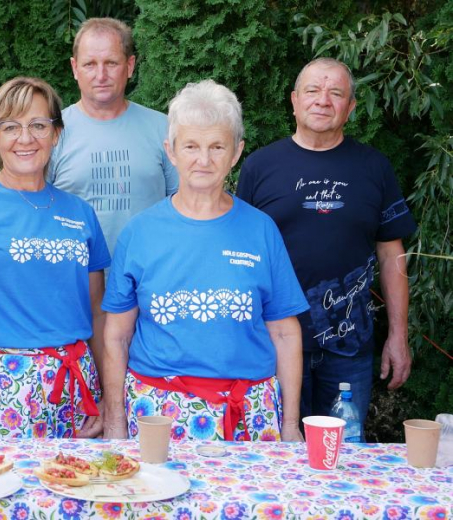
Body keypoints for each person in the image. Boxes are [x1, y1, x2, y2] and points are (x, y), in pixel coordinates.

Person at [101, 80, 308, 442]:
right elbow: (116, 336)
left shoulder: (261, 230)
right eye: (191, 146)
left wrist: (290, 425)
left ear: (236, 152)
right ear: (171, 151)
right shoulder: (139, 233)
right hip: (157, 414)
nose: (204, 159)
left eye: (217, 146)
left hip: (250, 413)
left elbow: (285, 333)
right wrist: (116, 422)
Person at [237, 58, 417, 433]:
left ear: (350, 108)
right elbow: (240, 256)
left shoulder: (374, 168)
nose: (323, 100)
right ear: (294, 100)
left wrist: (399, 336)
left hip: (349, 345)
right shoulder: (259, 166)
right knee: (277, 452)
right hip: (275, 341)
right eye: (313, 91)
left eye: (336, 93)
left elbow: (391, 255)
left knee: (342, 456)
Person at [0, 77, 111, 439]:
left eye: (38, 125)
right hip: (3, 391)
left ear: (56, 133)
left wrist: (109, 395)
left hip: (77, 387)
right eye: (10, 127)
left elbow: (98, 313)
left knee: (78, 492)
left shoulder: (80, 213)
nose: (25, 138)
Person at [49, 18, 178, 254]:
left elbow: (184, 207)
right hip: (76, 281)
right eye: (90, 64)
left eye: (111, 63)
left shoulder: (164, 128)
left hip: (147, 277)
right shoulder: (53, 132)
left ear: (129, 66)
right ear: (74, 68)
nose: (101, 75)